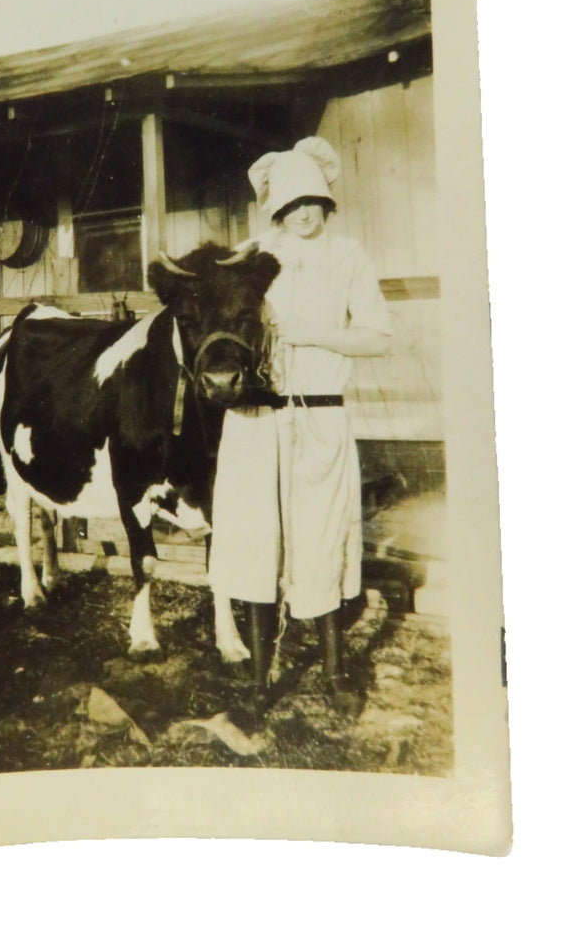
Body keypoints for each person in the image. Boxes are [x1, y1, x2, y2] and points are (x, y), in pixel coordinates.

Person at [209, 137, 391, 716]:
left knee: (320, 542)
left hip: (322, 419)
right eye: (291, 205)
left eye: (312, 201)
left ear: (327, 203)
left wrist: (316, 334)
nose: (304, 213)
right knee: (261, 543)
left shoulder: (349, 257)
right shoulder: (251, 256)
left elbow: (378, 336)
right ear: (276, 210)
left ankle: (335, 675)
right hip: (256, 420)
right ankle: (262, 680)